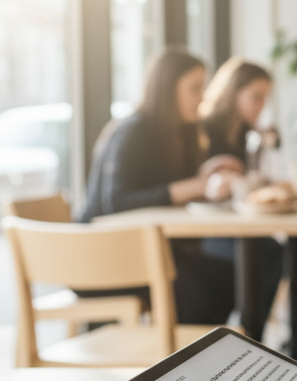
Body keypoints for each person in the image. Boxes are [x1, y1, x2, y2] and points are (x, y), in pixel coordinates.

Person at [81, 47, 238, 324]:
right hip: (101, 259)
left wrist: (203, 175)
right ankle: (181, 360)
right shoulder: (132, 131)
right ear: (167, 89)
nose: (201, 98)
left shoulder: (178, 135)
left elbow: (165, 188)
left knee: (229, 276)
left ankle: (203, 359)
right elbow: (113, 204)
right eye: (194, 88)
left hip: (143, 255)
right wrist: (194, 186)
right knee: (201, 285)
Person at [199, 57, 284, 340]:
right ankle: (249, 337)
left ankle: (251, 336)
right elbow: (203, 185)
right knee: (266, 253)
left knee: (275, 250)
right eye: (255, 97)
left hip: (232, 222)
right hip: (203, 230)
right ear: (233, 92)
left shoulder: (247, 133)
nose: (260, 105)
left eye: (264, 99)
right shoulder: (205, 129)